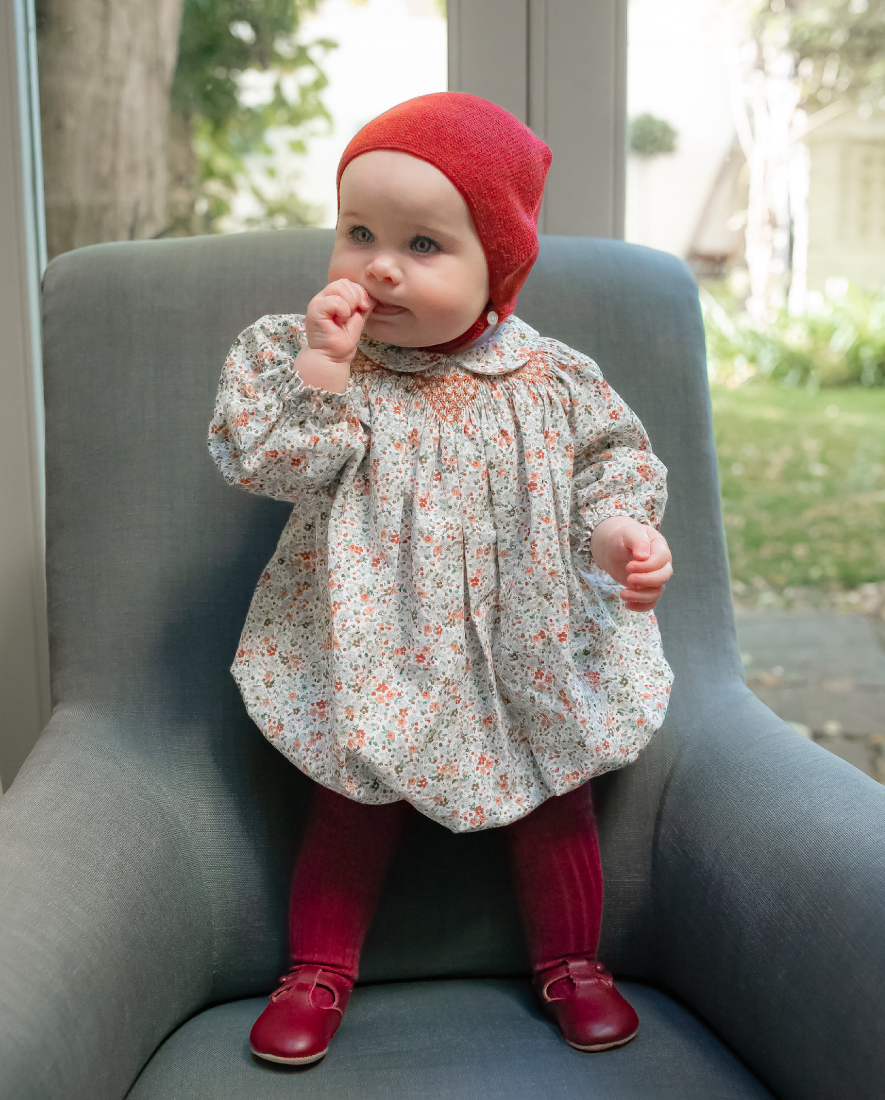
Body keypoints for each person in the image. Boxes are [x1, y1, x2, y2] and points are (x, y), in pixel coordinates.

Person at [209, 92, 674, 1066]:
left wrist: (622, 534)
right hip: (380, 636)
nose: (378, 264)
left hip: (525, 638)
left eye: (424, 245)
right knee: (355, 796)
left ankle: (573, 961)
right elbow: (272, 466)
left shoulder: (555, 379)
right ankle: (318, 966)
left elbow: (611, 466)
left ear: (498, 267)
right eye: (359, 231)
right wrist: (325, 369)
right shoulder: (318, 360)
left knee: (558, 791)